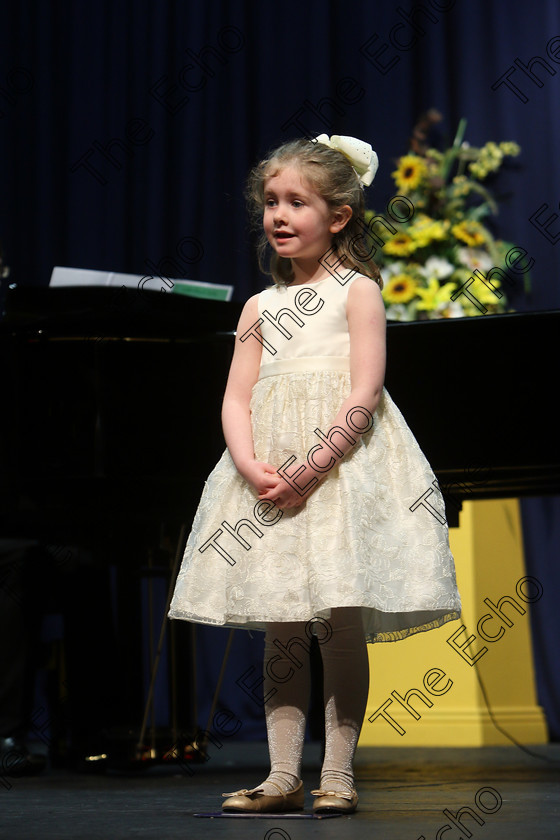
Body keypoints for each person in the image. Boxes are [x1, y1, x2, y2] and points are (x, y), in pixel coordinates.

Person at [168, 134, 461, 814]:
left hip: (341, 474)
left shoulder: (357, 292)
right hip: (269, 479)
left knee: (339, 624)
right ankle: (280, 775)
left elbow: (364, 393)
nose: (278, 214)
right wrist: (250, 464)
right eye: (270, 201)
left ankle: (338, 773)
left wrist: (316, 464)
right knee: (282, 627)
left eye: (297, 201)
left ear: (338, 216)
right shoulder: (258, 309)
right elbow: (236, 396)